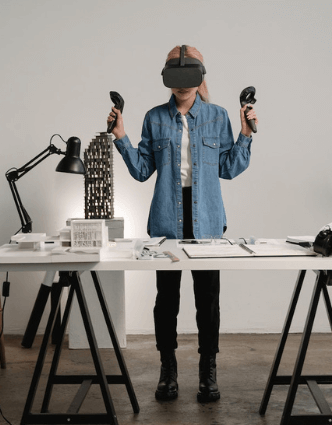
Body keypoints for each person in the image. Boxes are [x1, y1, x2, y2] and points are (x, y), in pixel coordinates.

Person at [107, 45, 258, 403]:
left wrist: (246, 133)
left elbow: (229, 168)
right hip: (166, 223)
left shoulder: (218, 116)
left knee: (208, 300)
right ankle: (168, 369)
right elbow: (143, 170)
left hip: (208, 221)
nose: (182, 86)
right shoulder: (155, 117)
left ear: (199, 77)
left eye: (188, 78)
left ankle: (208, 370)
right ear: (168, 80)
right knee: (167, 301)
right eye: (176, 79)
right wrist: (121, 136)